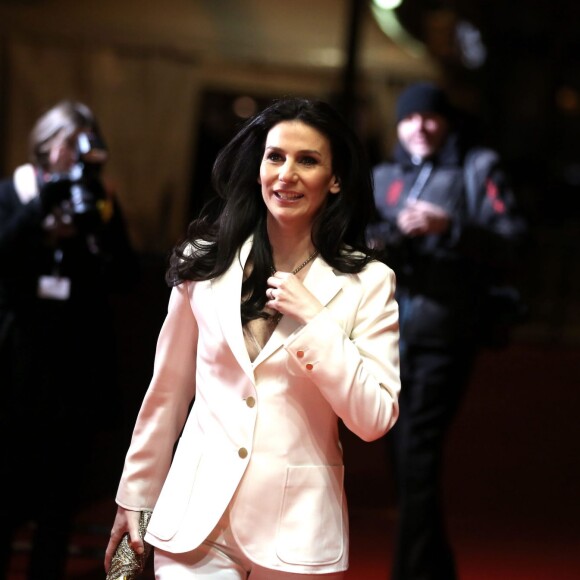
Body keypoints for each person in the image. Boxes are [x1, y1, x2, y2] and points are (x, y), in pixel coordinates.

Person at [104, 97, 401, 579]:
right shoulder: (205, 261)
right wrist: (135, 496)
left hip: (297, 533)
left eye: (308, 160)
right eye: (275, 156)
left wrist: (315, 319)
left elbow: (374, 417)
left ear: (336, 178)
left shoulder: (369, 282)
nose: (287, 173)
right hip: (195, 522)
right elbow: (168, 392)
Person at [367, 82, 527, 580]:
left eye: (431, 117)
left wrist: (449, 227)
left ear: (448, 122)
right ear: (398, 125)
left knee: (417, 456)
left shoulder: (478, 168)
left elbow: (515, 241)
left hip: (447, 332)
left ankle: (408, 572)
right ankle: (435, 569)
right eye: (409, 118)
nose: (420, 126)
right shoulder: (384, 177)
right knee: (403, 459)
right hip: (389, 334)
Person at [0, 100, 137, 579]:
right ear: (45, 144)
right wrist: (44, 203)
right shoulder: (15, 193)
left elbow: (125, 274)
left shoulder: (95, 199)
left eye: (84, 147)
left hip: (73, 375)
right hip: (16, 370)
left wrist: (100, 215)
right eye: (67, 145)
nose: (74, 158)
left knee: (58, 508)